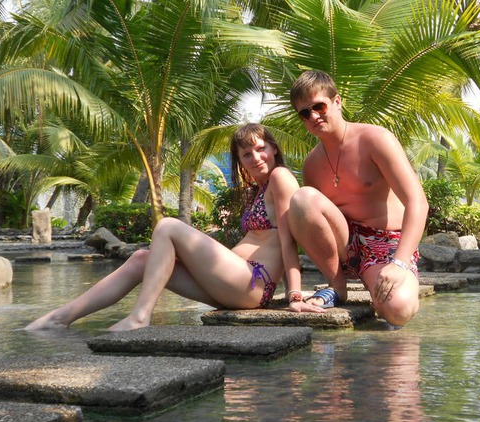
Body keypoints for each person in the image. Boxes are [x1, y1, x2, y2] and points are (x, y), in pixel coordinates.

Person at [25, 123, 307, 331]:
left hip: (252, 285)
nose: (255, 158)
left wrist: (294, 295)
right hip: (232, 285)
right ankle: (60, 317)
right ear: (240, 161)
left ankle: (140, 316)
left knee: (168, 226)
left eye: (260, 149)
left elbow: (288, 241)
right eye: (246, 154)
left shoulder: (281, 177)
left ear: (274, 148)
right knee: (141, 259)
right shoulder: (260, 188)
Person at [287, 70, 429, 326]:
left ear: (337, 101)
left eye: (319, 106)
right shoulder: (312, 164)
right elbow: (314, 223)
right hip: (346, 246)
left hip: (385, 245)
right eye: (305, 113)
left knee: (398, 309)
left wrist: (400, 262)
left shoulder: (375, 139)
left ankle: (378, 280)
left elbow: (417, 202)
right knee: (302, 198)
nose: (314, 116)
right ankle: (336, 286)